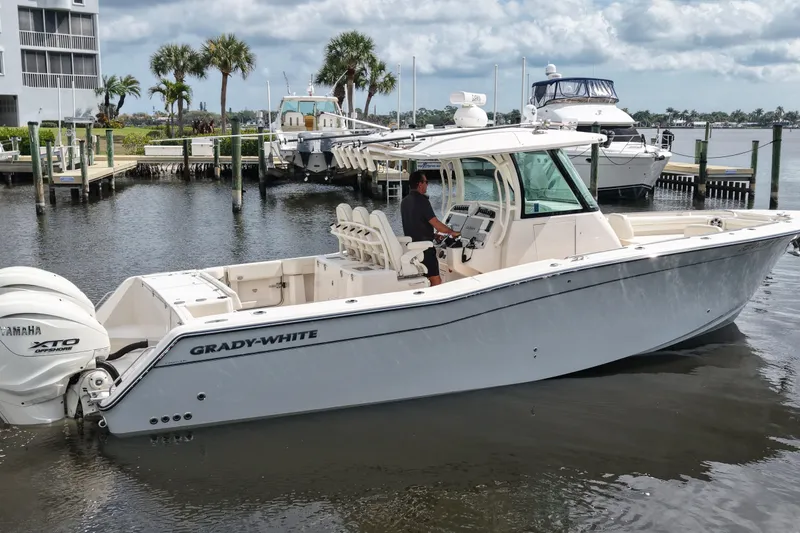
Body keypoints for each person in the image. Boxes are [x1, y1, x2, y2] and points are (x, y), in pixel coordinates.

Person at [400, 171, 460, 286]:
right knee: (436, 280)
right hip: (425, 249)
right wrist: (451, 232)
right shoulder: (423, 201)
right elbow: (436, 223)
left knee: (426, 278)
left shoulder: (404, 202)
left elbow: (414, 225)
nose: (427, 185)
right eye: (426, 182)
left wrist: (433, 235)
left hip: (412, 248)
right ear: (420, 184)